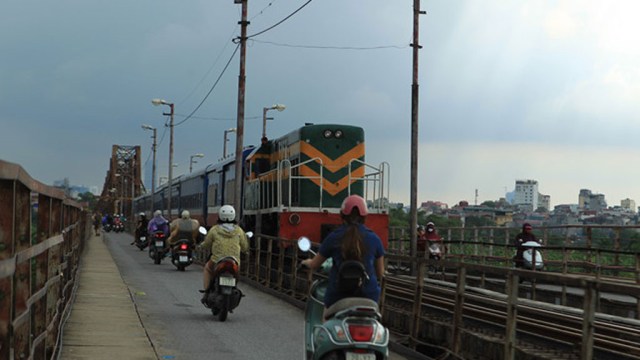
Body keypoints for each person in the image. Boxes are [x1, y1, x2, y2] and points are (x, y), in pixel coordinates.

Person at [300, 194, 385, 315]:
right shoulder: (375, 239)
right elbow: (381, 273)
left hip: (338, 296)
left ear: (342, 215)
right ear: (365, 216)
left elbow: (314, 264)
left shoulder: (334, 237)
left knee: (326, 317)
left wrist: (305, 262)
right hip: (369, 296)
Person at [198, 205, 248, 300]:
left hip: (217, 260)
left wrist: (201, 246)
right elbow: (245, 246)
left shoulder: (214, 229)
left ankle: (207, 290)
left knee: (207, 269)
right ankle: (234, 287)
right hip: (234, 260)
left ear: (220, 215)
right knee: (236, 272)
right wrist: (246, 250)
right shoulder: (239, 230)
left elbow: (207, 243)